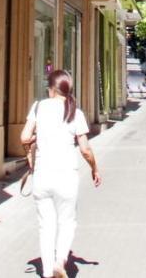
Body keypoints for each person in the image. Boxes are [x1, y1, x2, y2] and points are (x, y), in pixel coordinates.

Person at [21, 69, 101, 278]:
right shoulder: (76, 112)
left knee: (45, 225)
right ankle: (60, 261)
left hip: (42, 176)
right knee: (67, 222)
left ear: (51, 89)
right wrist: (94, 168)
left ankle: (47, 272)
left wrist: (32, 149)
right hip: (66, 176)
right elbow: (85, 149)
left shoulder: (38, 107)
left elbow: (24, 136)